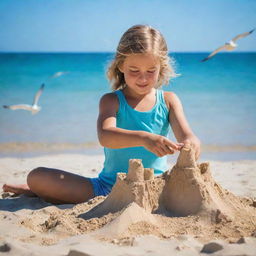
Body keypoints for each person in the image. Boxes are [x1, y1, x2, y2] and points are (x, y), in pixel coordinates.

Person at [2, 25, 200, 204]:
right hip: (107, 190)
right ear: (121, 66)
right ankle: (34, 190)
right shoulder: (111, 100)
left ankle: (38, 191)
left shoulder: (168, 100)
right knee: (37, 176)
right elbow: (106, 136)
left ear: (161, 68)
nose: (143, 77)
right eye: (134, 69)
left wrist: (191, 146)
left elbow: (188, 135)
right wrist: (144, 138)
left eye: (151, 70)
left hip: (156, 189)